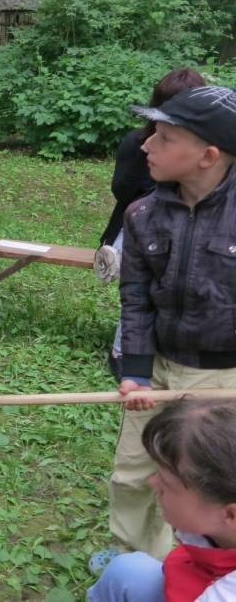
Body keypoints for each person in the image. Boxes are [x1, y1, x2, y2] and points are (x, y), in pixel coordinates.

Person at [107, 85, 236, 561]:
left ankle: (180, 566)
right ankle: (129, 553)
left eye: (163, 137)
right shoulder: (143, 215)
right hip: (156, 368)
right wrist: (136, 369)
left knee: (194, 484)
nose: (145, 145)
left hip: (221, 379)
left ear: (207, 155)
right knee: (132, 470)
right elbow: (136, 300)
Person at [96, 69, 206, 378]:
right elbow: (122, 193)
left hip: (186, 231)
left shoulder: (210, 154)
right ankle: (124, 352)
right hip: (136, 227)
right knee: (139, 280)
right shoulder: (140, 143)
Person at [88, 399, 236, 601]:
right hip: (190, 583)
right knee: (127, 570)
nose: (153, 482)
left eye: (166, 483)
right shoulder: (216, 526)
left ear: (230, 514)